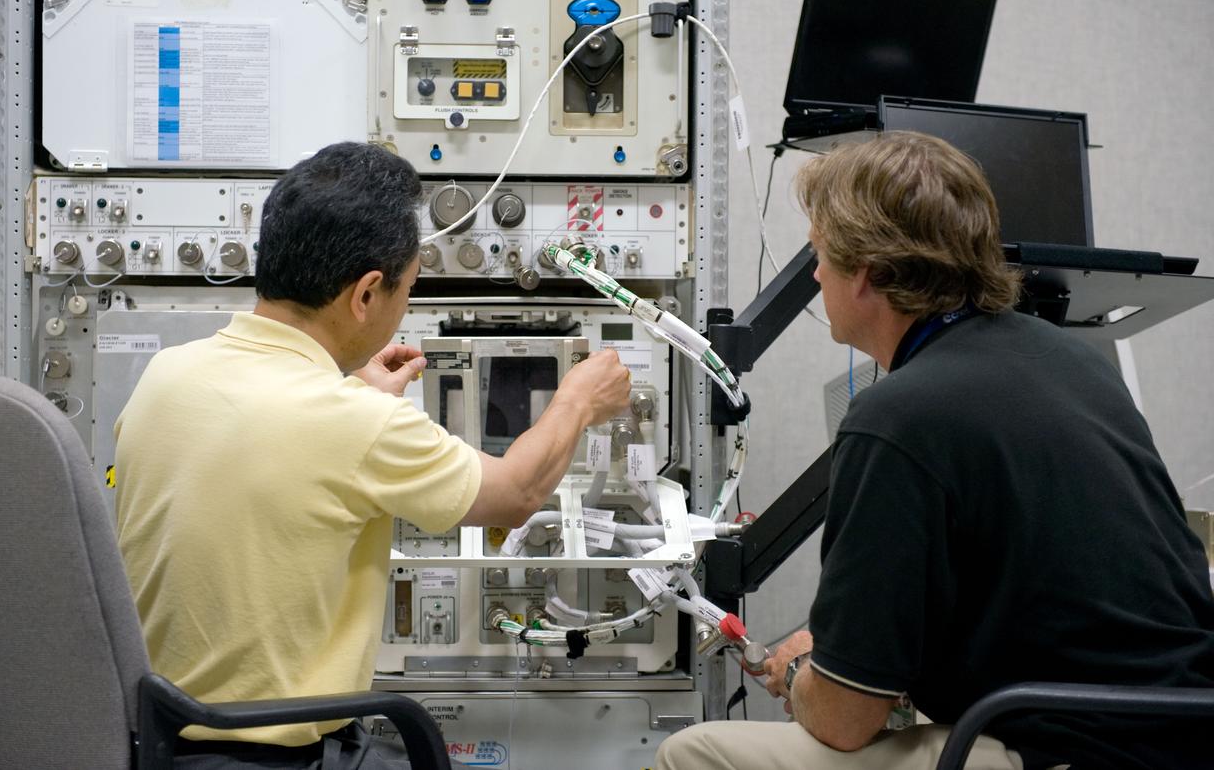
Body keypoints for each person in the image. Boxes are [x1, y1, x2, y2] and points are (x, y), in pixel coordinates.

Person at [656, 132, 1214, 770]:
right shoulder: (1072, 362)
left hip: (1063, 750)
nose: (814, 275)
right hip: (1181, 733)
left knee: (694, 753)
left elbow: (845, 720)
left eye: (820, 255)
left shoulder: (897, 416)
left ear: (869, 272)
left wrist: (805, 675)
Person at [114, 142, 630, 768]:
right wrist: (578, 399)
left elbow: (266, 440)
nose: (404, 304)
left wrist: (349, 389)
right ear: (365, 294)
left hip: (160, 741)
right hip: (276, 754)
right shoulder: (356, 424)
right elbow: (516, 493)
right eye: (407, 289)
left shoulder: (166, 376)